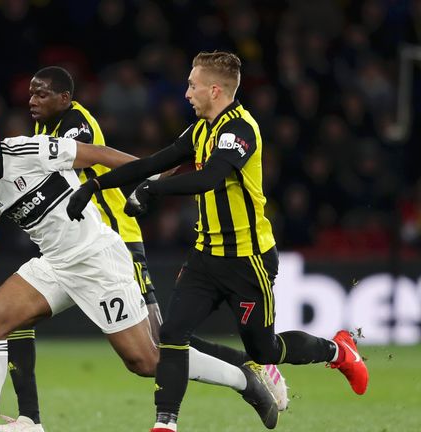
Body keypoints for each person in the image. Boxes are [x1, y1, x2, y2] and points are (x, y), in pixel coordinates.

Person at [66, 51, 369, 432]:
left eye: (192, 85)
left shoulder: (240, 129)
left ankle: (338, 350)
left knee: (265, 349)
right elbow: (152, 162)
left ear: (214, 89)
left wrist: (153, 193)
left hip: (247, 260)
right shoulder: (200, 129)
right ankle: (165, 424)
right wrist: (96, 183)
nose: (187, 92)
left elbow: (208, 177)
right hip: (205, 258)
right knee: (173, 335)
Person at [0, 111, 280, 432]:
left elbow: (94, 153)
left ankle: (244, 381)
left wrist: (149, 172)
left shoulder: (29, 151)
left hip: (97, 259)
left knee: (146, 361)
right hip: (55, 264)